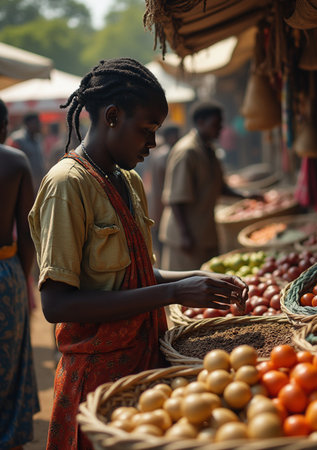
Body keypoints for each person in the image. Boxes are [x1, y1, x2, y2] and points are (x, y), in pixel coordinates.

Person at [28, 58, 248, 450]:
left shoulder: (127, 180)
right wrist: (174, 293)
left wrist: (193, 280)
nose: (153, 144)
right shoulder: (68, 185)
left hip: (145, 366)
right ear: (112, 116)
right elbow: (57, 303)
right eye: (146, 131)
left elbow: (138, 276)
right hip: (96, 380)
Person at [159, 100, 257, 271]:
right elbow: (175, 198)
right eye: (215, 125)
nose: (220, 129)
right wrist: (185, 235)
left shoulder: (209, 149)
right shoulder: (187, 152)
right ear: (200, 123)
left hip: (204, 232)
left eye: (220, 124)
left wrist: (246, 196)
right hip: (187, 236)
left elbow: (219, 187)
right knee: (188, 286)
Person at [0, 99, 40, 449]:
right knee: (8, 365)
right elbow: (27, 233)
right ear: (4, 128)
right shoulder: (14, 161)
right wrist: (21, 275)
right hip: (5, 273)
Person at [148, 124, 181, 261]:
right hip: (163, 204)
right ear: (171, 137)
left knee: (158, 241)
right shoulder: (168, 155)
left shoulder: (158, 154)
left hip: (155, 202)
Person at [7, 112, 45, 194]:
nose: (39, 125)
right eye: (37, 122)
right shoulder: (17, 139)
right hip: (22, 188)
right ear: (28, 123)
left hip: (37, 187)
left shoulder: (38, 139)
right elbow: (10, 165)